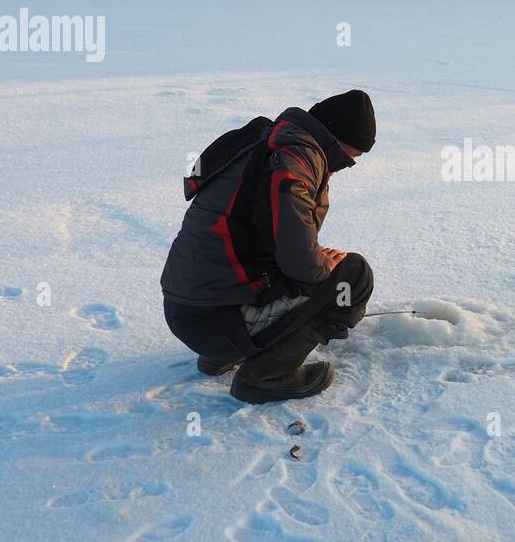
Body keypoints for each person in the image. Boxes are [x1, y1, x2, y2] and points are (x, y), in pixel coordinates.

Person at [161, 90, 377, 403]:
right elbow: (298, 260)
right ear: (340, 138)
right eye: (355, 154)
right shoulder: (297, 159)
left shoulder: (264, 139)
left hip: (185, 309)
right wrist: (323, 267)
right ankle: (266, 374)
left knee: (311, 269)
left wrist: (311, 260)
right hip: (215, 318)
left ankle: (222, 353)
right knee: (352, 277)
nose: (353, 162)